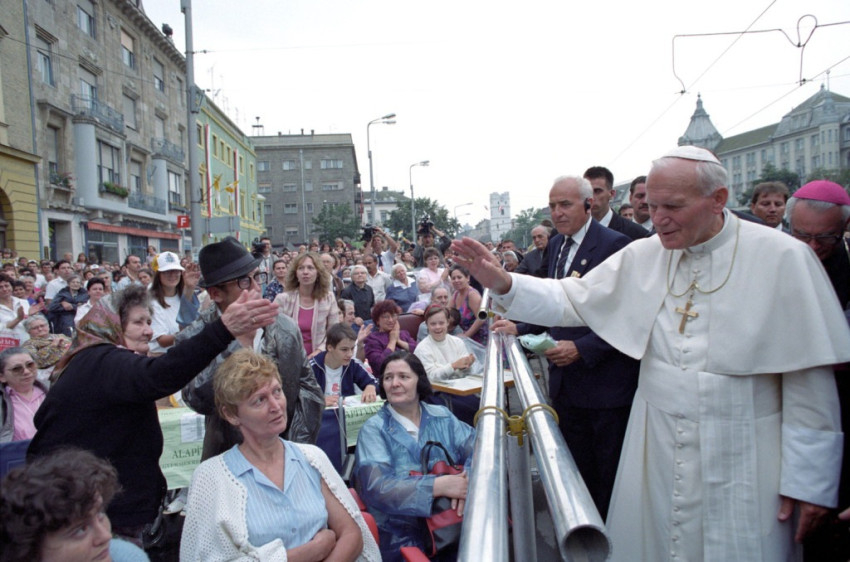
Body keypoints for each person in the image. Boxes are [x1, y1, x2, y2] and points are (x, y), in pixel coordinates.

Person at [452, 146, 850, 561]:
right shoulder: (647, 253)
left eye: (672, 206)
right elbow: (573, 298)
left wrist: (809, 482)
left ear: (718, 199)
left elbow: (809, 381)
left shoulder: (783, 257)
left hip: (746, 450)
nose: (658, 219)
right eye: (653, 206)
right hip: (656, 440)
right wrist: (505, 283)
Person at [28, 284, 278, 544]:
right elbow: (161, 375)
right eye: (138, 322)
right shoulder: (101, 360)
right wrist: (223, 330)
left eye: (149, 321)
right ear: (111, 324)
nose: (149, 330)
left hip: (103, 506)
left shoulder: (92, 361)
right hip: (100, 518)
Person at [494, 174, 639, 520]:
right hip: (566, 383)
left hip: (604, 387)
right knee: (576, 469)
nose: (557, 213)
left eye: (565, 204)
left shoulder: (615, 245)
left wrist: (582, 348)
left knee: (606, 476)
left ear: (589, 204)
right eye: (552, 206)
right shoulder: (557, 244)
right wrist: (520, 327)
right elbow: (554, 301)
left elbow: (629, 314)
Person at [180, 349, 380, 561]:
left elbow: (352, 534)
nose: (276, 406)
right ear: (231, 414)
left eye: (277, 391)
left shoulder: (311, 458)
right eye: (259, 400)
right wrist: (310, 551)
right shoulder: (211, 478)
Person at [181, 237, 324, 461]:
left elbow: (309, 392)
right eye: (244, 282)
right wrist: (236, 341)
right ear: (216, 294)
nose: (257, 287)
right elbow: (196, 399)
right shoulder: (196, 335)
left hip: (285, 456)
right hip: (226, 458)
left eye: (257, 276)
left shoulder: (284, 327)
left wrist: (291, 452)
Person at [354, 351, 475, 561]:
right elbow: (378, 487)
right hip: (402, 536)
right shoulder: (374, 430)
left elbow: (480, 449)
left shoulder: (443, 417)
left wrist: (468, 480)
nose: (395, 383)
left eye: (403, 376)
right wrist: (438, 486)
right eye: (388, 378)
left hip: (454, 523)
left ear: (420, 381)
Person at [0, 448, 149, 562]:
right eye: (80, 530)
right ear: (29, 552)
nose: (106, 536)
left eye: (100, 514)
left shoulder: (125, 556)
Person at [310, 323, 378, 470]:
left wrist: (370, 387)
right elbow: (299, 395)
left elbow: (373, 382)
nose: (349, 354)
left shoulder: (352, 364)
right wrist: (320, 401)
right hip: (322, 421)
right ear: (330, 347)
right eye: (344, 349)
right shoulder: (312, 366)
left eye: (352, 349)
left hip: (347, 419)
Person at [275, 252, 340, 358]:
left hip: (320, 358)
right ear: (295, 273)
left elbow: (334, 332)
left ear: (318, 272)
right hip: (288, 359)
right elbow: (274, 334)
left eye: (310, 268)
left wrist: (318, 352)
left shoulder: (329, 298)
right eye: (301, 268)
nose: (305, 272)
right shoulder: (282, 299)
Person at [148, 251, 199, 355]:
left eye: (176, 271)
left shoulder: (183, 295)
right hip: (162, 357)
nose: (172, 275)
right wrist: (187, 333)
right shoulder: (152, 301)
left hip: (184, 354)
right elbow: (162, 341)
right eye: (167, 271)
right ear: (159, 275)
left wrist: (189, 287)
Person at [584, 166, 650, 241]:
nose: (591, 197)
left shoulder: (636, 233)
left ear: (612, 194)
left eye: (597, 191)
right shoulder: (576, 230)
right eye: (587, 191)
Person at [0, 347, 48, 442]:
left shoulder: (52, 392)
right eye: (16, 369)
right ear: (2, 377)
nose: (26, 371)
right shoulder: (2, 403)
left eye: (30, 365)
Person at [364, 300, 417, 372]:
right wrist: (392, 341)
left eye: (393, 316)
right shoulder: (372, 339)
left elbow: (418, 351)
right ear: (377, 320)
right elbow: (380, 364)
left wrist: (399, 341)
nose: (391, 320)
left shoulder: (404, 334)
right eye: (386, 317)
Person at [448, 265, 488, 345]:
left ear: (467, 278)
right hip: (463, 336)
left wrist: (466, 336)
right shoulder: (456, 294)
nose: (456, 280)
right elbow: (447, 312)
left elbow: (481, 319)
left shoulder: (472, 295)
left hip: (479, 339)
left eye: (459, 277)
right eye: (453, 278)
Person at [0, 273, 34, 344]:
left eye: (7, 286)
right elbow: (2, 329)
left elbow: (29, 324)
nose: (4, 289)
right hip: (6, 344)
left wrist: (31, 316)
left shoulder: (23, 302)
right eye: (0, 287)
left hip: (26, 341)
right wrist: (18, 319)